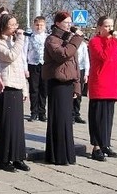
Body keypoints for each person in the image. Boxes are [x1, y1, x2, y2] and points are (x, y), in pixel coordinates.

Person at [43, 12, 83, 166]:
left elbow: (75, 64)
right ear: (58, 23)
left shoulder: (69, 40)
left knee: (67, 120)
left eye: (70, 22)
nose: (69, 24)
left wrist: (77, 86)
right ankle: (57, 155)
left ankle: (67, 154)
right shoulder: (52, 39)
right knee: (58, 119)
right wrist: (77, 39)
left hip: (68, 83)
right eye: (66, 22)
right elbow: (63, 55)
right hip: (57, 83)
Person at [0, 12, 29, 172]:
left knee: (17, 127)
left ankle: (18, 157)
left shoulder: (14, 42)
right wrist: (20, 39)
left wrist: (24, 87)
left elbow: (20, 66)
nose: (15, 28)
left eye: (16, 24)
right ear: (4, 25)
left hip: (17, 86)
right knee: (6, 125)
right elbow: (11, 56)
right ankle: (4, 158)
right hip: (5, 87)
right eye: (12, 25)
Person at [86, 15, 117, 161]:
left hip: (112, 85)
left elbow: (116, 63)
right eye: (107, 26)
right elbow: (104, 57)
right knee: (98, 117)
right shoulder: (94, 41)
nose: (110, 29)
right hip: (100, 84)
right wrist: (113, 40)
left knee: (108, 117)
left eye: (111, 26)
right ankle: (96, 147)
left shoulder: (114, 42)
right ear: (100, 27)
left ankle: (105, 144)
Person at [26, 16, 48, 122]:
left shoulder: (47, 37)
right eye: (37, 24)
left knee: (44, 90)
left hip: (44, 65)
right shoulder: (29, 37)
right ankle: (33, 112)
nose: (39, 27)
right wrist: (25, 68)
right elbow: (24, 52)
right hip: (33, 65)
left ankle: (42, 112)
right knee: (34, 89)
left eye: (41, 25)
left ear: (45, 26)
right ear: (33, 25)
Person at [73, 27, 88, 123]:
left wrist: (86, 73)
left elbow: (86, 59)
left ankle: (76, 113)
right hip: (72, 69)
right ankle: (70, 114)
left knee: (79, 94)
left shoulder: (83, 45)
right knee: (72, 93)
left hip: (81, 69)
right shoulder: (71, 43)